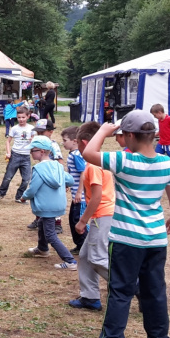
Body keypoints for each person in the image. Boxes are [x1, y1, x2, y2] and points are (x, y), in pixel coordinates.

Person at [81, 111, 170, 338]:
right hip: (156, 240)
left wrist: (103, 131)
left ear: (129, 136)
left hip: (126, 240)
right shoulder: (166, 163)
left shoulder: (124, 162)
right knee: (155, 292)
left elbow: (88, 153)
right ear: (154, 135)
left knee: (120, 292)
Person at [68, 121, 115, 311]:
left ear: (85, 143)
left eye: (77, 142)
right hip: (102, 215)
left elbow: (96, 198)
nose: (77, 145)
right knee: (86, 256)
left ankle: (130, 285)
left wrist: (82, 221)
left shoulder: (94, 165)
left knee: (97, 257)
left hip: (101, 216)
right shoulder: (99, 160)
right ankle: (90, 297)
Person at [20, 136, 77, 270]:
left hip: (46, 206)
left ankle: (70, 261)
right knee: (41, 223)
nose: (30, 153)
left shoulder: (38, 169)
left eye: (32, 150)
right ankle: (42, 249)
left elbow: (33, 189)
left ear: (42, 151)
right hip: (57, 205)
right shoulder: (58, 166)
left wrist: (24, 197)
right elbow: (70, 180)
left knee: (50, 234)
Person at [0, 106, 34, 203]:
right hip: (15, 155)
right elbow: (8, 141)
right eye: (19, 117)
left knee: (26, 179)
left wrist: (33, 141)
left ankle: (19, 196)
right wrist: (8, 152)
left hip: (26, 157)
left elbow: (35, 141)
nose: (21, 119)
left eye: (23, 117)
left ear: (28, 116)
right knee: (8, 177)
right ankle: (0, 194)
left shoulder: (31, 128)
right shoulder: (14, 128)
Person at [30, 118, 65, 233]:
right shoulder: (38, 144)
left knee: (52, 198)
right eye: (38, 132)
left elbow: (59, 160)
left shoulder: (53, 145)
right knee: (41, 197)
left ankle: (57, 222)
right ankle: (39, 218)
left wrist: (62, 177)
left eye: (42, 132)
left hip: (52, 177)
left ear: (50, 132)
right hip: (42, 175)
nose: (39, 135)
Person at [60, 126, 87, 255]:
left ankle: (84, 246)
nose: (63, 143)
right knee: (72, 220)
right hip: (76, 194)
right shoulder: (73, 154)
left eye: (65, 140)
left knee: (77, 220)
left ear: (75, 141)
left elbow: (83, 173)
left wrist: (79, 192)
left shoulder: (77, 155)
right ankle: (79, 245)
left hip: (80, 198)